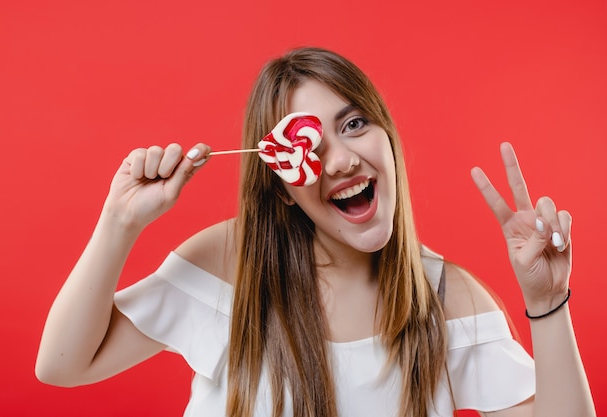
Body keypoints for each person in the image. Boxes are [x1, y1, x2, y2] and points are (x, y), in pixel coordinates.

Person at [35, 47, 596, 417]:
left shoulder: (446, 301)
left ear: (389, 138)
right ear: (281, 185)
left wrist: (548, 302)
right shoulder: (230, 265)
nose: (342, 160)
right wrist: (120, 222)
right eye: (309, 147)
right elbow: (62, 365)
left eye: (354, 124)